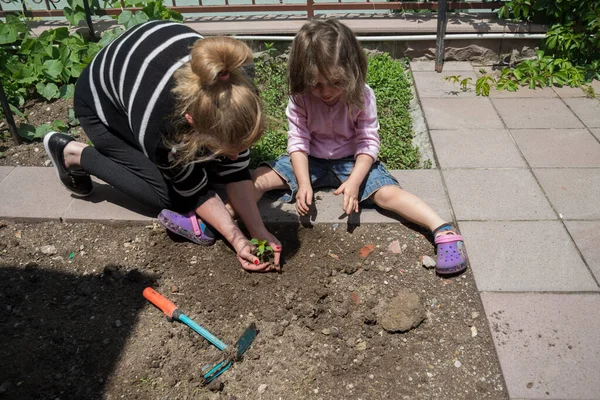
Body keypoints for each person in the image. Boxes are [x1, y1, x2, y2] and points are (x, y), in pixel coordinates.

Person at [43, 20, 280, 272]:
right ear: (191, 121)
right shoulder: (161, 126)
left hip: (145, 70)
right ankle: (74, 155)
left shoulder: (235, 86)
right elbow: (194, 191)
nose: (236, 156)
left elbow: (237, 169)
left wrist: (258, 231)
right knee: (168, 196)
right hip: (102, 107)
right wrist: (236, 237)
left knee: (215, 164)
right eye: (227, 149)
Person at [249, 19, 467, 274]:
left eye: (334, 82)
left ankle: (442, 229)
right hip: (310, 159)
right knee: (259, 178)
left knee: (387, 194)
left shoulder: (361, 95)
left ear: (351, 70)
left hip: (352, 160)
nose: (325, 91)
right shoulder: (301, 96)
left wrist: (354, 182)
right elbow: (298, 140)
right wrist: (303, 183)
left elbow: (367, 142)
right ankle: (227, 215)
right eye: (316, 84)